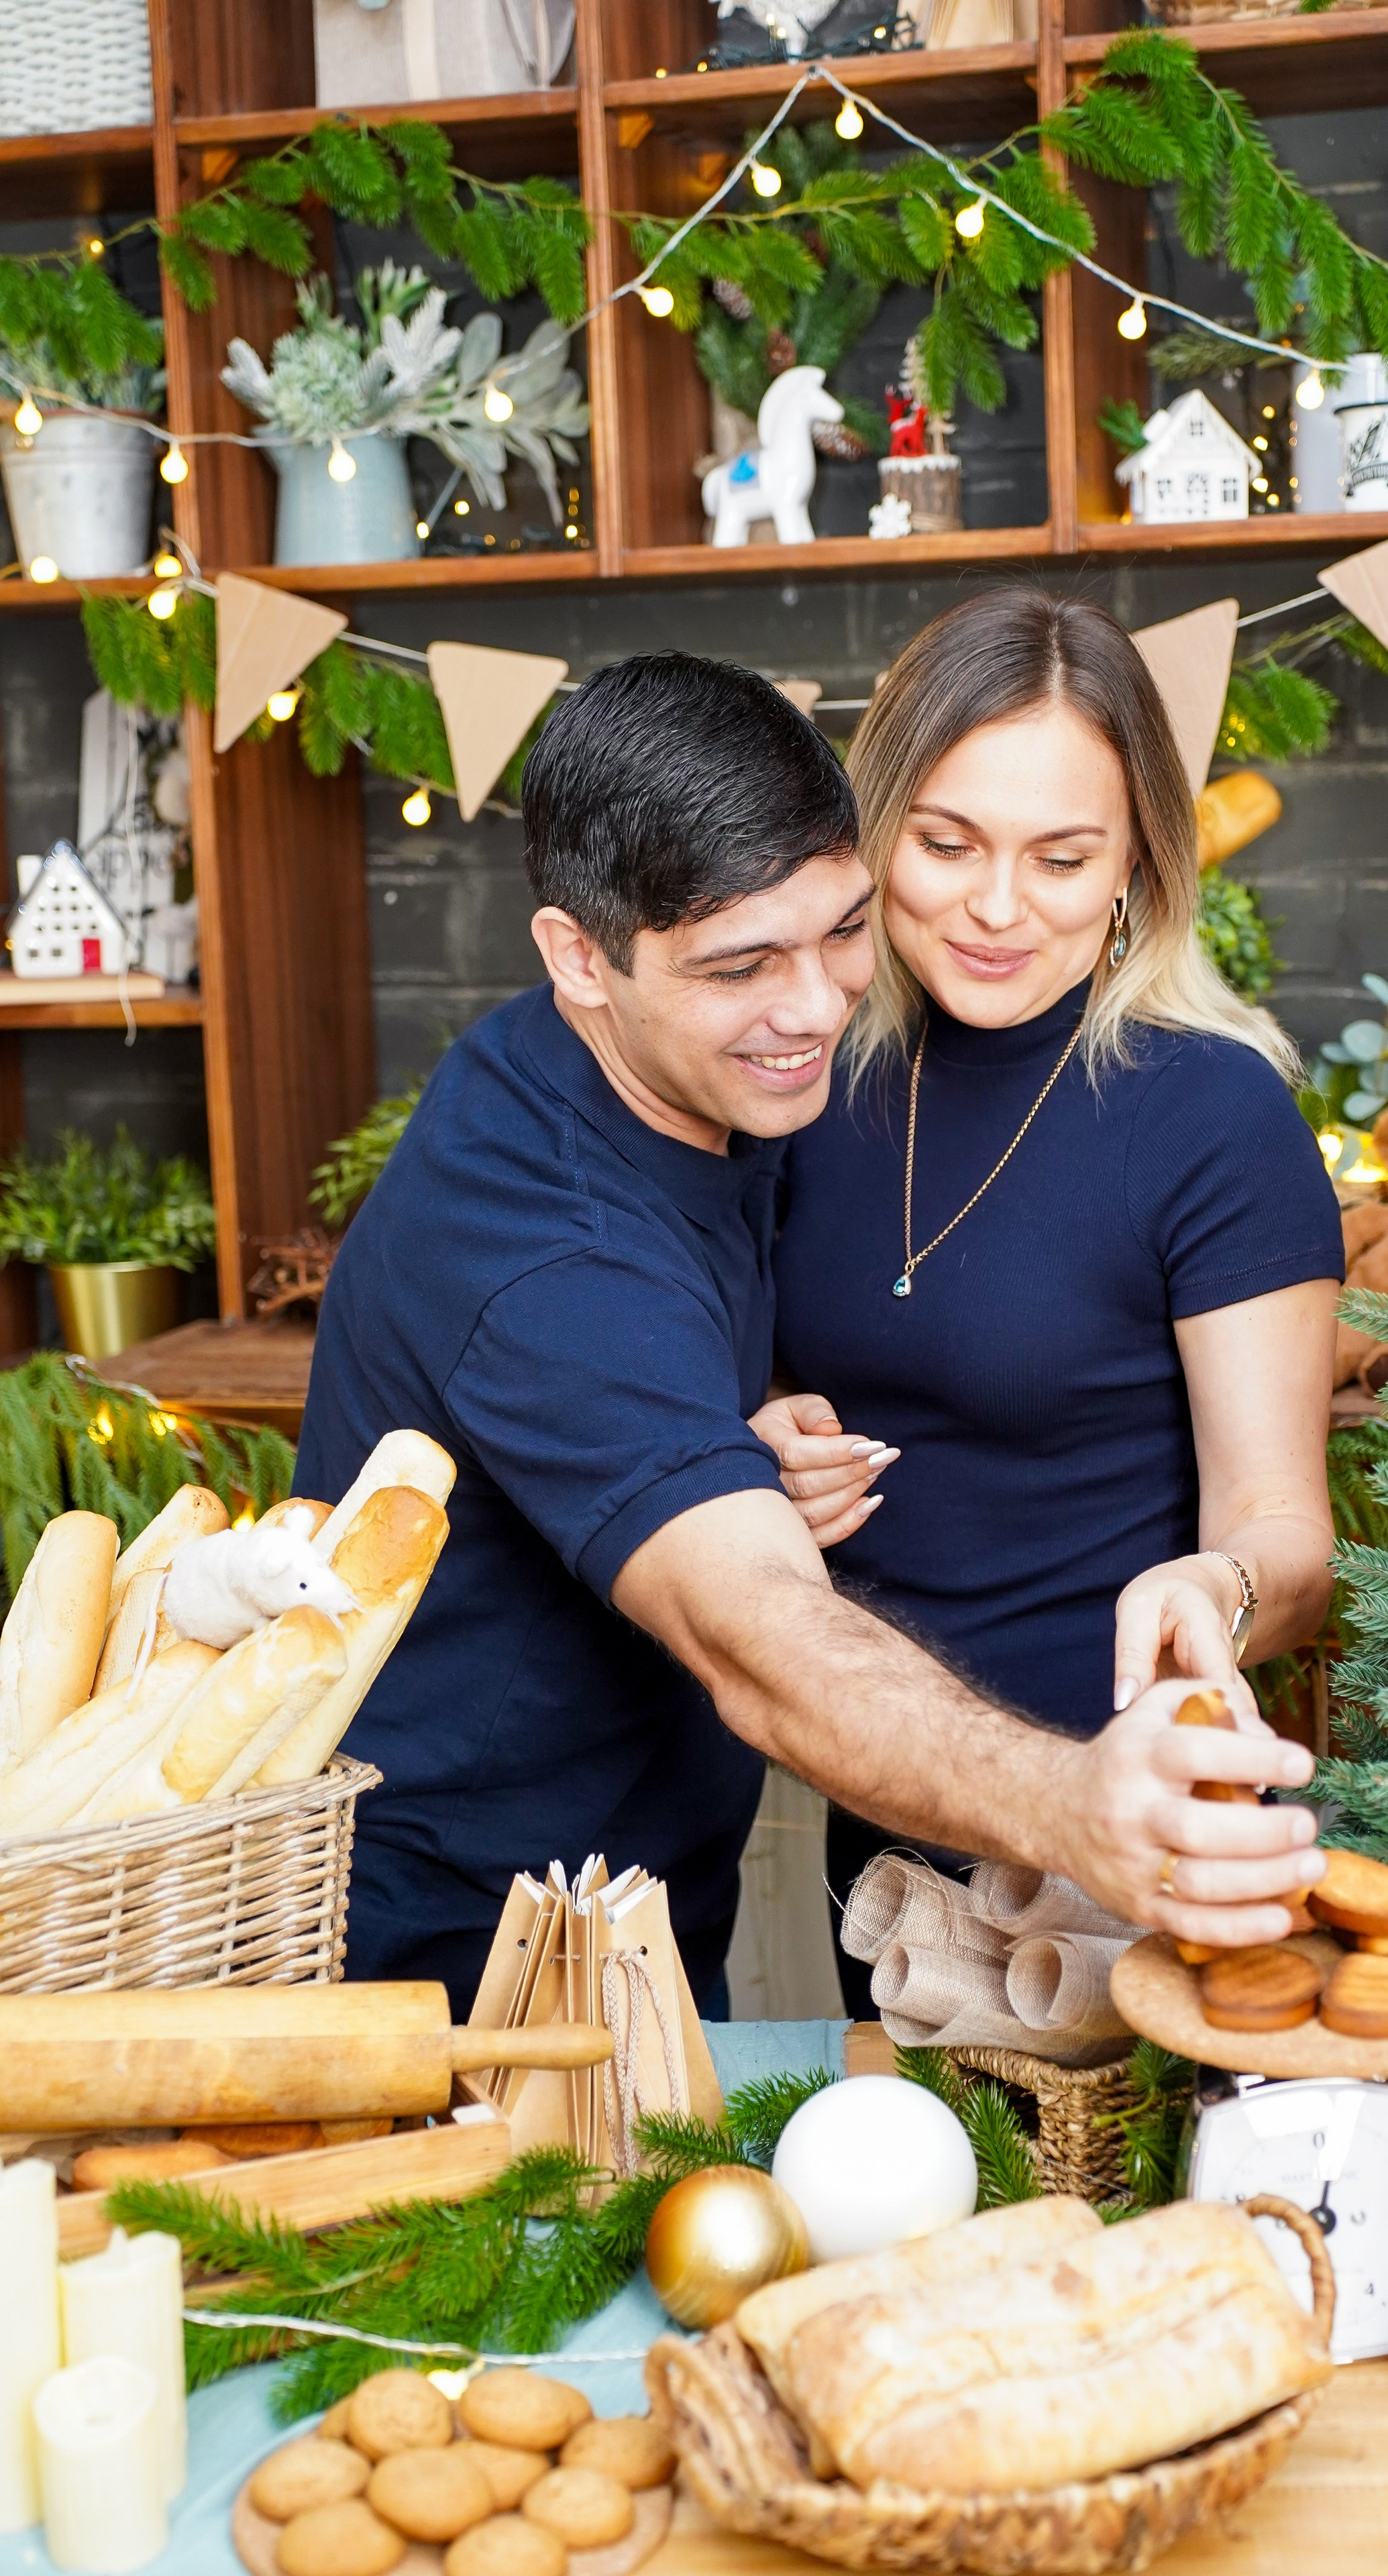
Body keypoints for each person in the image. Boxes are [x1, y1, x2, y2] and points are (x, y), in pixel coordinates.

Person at [294, 649, 1326, 2020]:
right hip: (456, 1946)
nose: (814, 1009)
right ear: (578, 960)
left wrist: (738, 1420)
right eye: (739, 966)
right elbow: (757, 1638)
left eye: (838, 932)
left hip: (644, 1903)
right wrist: (1073, 1801)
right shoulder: (546, 1242)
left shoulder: (728, 1089)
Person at [763, 591, 1345, 2012]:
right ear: (870, 826)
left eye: (1060, 856)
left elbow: (1290, 1537)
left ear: (1137, 859)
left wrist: (1219, 1585)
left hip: (1126, 1850)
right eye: (946, 843)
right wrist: (754, 1445)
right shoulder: (801, 1078)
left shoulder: (1210, 1112)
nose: (997, 906)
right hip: (884, 1826)